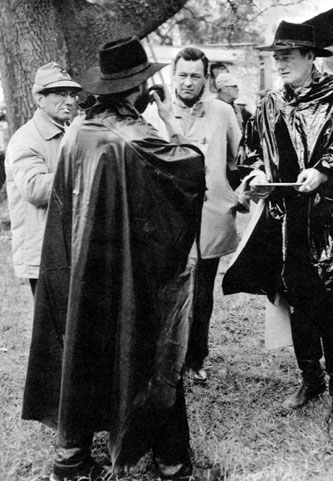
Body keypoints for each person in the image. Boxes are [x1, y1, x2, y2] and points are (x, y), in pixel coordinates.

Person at [21, 37, 220, 481]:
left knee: (84, 351)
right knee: (152, 355)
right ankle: (172, 465)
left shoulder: (80, 133)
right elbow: (190, 168)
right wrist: (170, 120)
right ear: (138, 90)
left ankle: (70, 459)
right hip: (131, 273)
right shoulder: (136, 139)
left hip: (84, 271)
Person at [223, 20, 333, 442]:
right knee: (297, 303)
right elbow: (250, 151)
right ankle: (310, 377)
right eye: (275, 56)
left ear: (310, 57)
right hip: (287, 225)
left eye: (287, 55)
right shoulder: (270, 103)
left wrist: (324, 170)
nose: (279, 63)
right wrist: (257, 174)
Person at [171, 47, 242, 383]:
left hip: (211, 216)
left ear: (206, 79)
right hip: (168, 219)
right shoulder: (155, 113)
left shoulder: (223, 111)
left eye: (195, 76)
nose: (188, 82)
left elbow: (240, 160)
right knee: (168, 291)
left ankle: (196, 357)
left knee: (201, 293)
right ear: (173, 76)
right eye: (182, 75)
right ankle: (168, 358)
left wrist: (239, 194)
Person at [5, 62, 82, 296]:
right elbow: (35, 189)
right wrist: (81, 171)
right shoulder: (26, 139)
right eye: (60, 94)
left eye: (72, 94)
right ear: (39, 99)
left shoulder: (69, 132)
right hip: (45, 257)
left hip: (68, 249)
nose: (69, 100)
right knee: (54, 329)